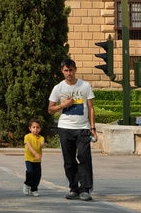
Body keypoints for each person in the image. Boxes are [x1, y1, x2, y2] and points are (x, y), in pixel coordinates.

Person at [48, 58, 97, 201]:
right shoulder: (58, 88)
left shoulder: (85, 86)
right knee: (69, 160)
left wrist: (92, 127)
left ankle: (85, 189)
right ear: (62, 71)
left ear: (75, 69)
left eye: (71, 70)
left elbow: (90, 107)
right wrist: (64, 105)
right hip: (65, 128)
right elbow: (50, 109)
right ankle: (73, 188)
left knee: (84, 157)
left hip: (82, 128)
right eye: (66, 70)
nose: (69, 73)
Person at [23, 118, 44, 196]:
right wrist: (35, 153)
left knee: (37, 175)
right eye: (34, 127)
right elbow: (29, 146)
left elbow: (42, 143)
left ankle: (34, 189)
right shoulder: (27, 137)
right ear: (30, 128)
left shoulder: (41, 138)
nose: (36, 129)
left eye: (37, 127)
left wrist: (42, 144)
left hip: (37, 160)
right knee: (30, 172)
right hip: (29, 158)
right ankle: (27, 184)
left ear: (40, 129)